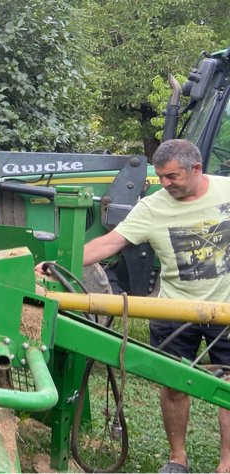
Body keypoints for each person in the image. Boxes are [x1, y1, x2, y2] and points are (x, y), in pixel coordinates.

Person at [35, 139, 230, 473]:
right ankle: (177, 458)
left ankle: (226, 463)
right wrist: (59, 264)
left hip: (226, 311)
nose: (165, 184)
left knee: (228, 387)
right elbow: (111, 242)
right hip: (173, 312)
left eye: (172, 177)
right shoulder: (153, 207)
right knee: (172, 385)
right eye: (162, 176)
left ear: (197, 169)